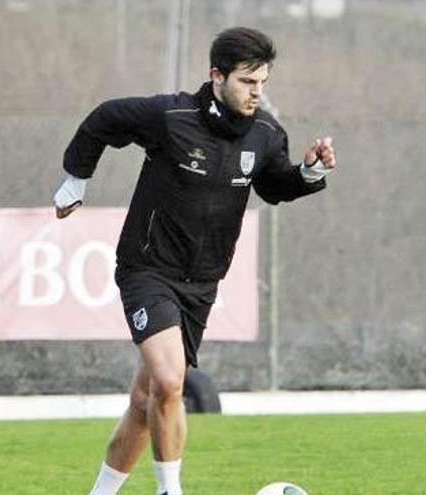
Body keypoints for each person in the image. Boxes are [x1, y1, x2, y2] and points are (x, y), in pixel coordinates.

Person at [53, 27, 337, 495]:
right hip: (147, 269)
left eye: (263, 82)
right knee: (169, 382)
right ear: (217, 76)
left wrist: (309, 172)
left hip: (202, 282)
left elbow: (275, 186)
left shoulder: (265, 134)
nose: (256, 93)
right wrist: (75, 179)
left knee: (148, 398)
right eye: (247, 81)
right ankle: (171, 491)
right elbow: (104, 119)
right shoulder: (171, 116)